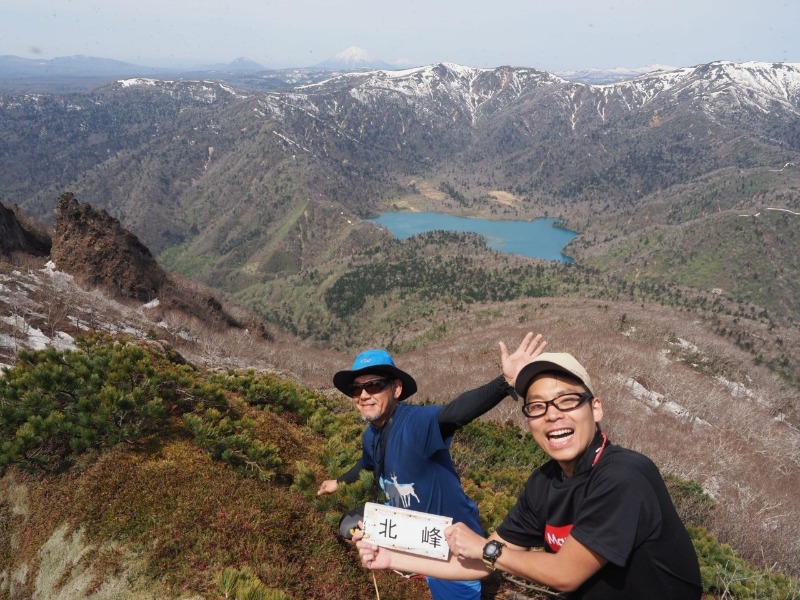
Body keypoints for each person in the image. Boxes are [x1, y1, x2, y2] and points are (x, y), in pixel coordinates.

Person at [356, 351, 703, 599]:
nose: (552, 415)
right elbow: (480, 564)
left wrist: (486, 549)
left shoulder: (624, 475)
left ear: (595, 408)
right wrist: (392, 559)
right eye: (537, 407)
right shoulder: (544, 483)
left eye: (567, 401)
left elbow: (565, 574)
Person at [319, 332, 548, 600]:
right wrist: (339, 481)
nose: (364, 394)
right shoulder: (371, 434)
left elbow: (454, 414)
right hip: (411, 528)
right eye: (357, 389)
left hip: (449, 542)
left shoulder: (415, 423)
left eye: (375, 385)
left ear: (396, 389)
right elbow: (366, 463)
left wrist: (504, 382)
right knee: (348, 525)